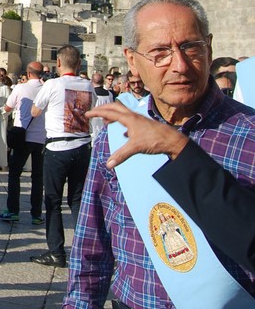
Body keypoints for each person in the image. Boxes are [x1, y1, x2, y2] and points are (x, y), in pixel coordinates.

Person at [66, 0, 255, 308]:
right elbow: (90, 249)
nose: (179, 66)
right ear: (132, 61)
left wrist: (177, 148)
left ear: (209, 48)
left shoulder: (249, 134)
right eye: (160, 52)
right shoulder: (114, 139)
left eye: (190, 47)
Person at [86, 100, 255, 274]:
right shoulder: (114, 135)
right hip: (136, 297)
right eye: (161, 69)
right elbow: (91, 234)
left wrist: (177, 147)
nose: (179, 70)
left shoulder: (249, 131)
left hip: (237, 298)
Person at [29, 44, 93, 268]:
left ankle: (56, 252)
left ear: (58, 63)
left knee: (53, 201)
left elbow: (35, 111)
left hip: (57, 148)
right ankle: (85, 251)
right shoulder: (88, 85)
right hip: (83, 146)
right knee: (77, 201)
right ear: (78, 64)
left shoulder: (53, 84)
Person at [0, 61, 45, 225]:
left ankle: (13, 211)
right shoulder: (47, 88)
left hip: (22, 137)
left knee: (14, 174)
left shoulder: (20, 88)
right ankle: (36, 214)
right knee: (38, 177)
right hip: (41, 137)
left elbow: (8, 107)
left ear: (28, 72)